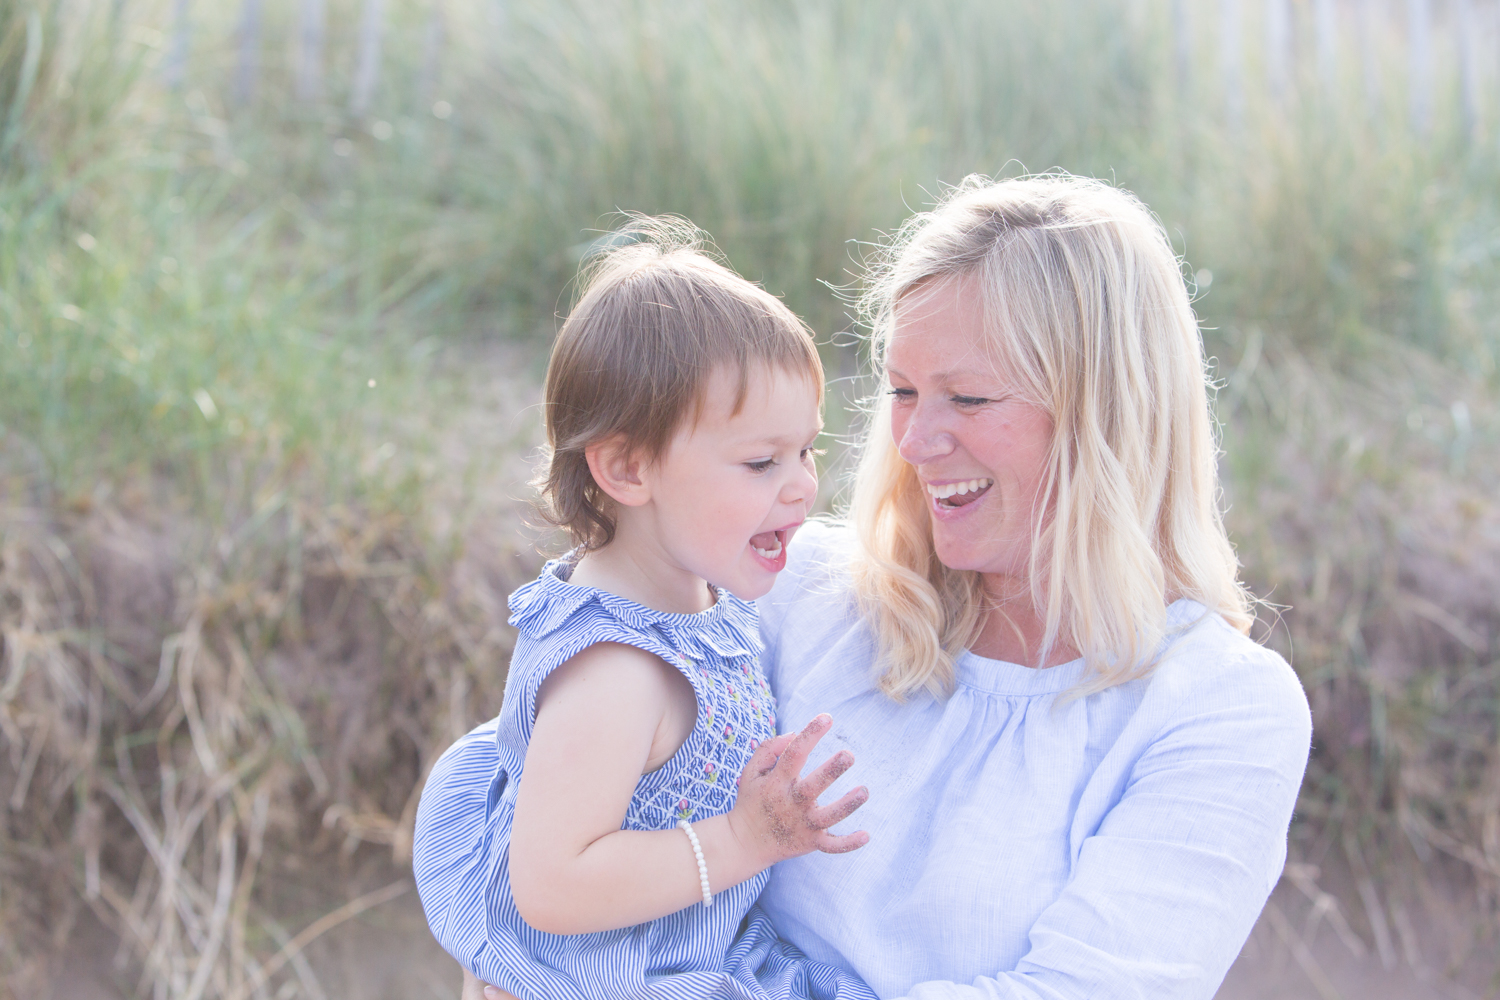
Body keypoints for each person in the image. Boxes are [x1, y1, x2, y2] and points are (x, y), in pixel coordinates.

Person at [468, 174, 1311, 1000]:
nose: (914, 440)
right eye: (903, 392)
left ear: (1110, 416)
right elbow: (533, 803)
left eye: (968, 398)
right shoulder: (789, 592)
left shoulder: (1219, 711)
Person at [412, 218, 879, 1000]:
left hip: (680, 949)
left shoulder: (693, 594)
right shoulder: (618, 670)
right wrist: (742, 838)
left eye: (808, 450)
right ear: (629, 467)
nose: (802, 485)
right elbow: (553, 883)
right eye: (762, 461)